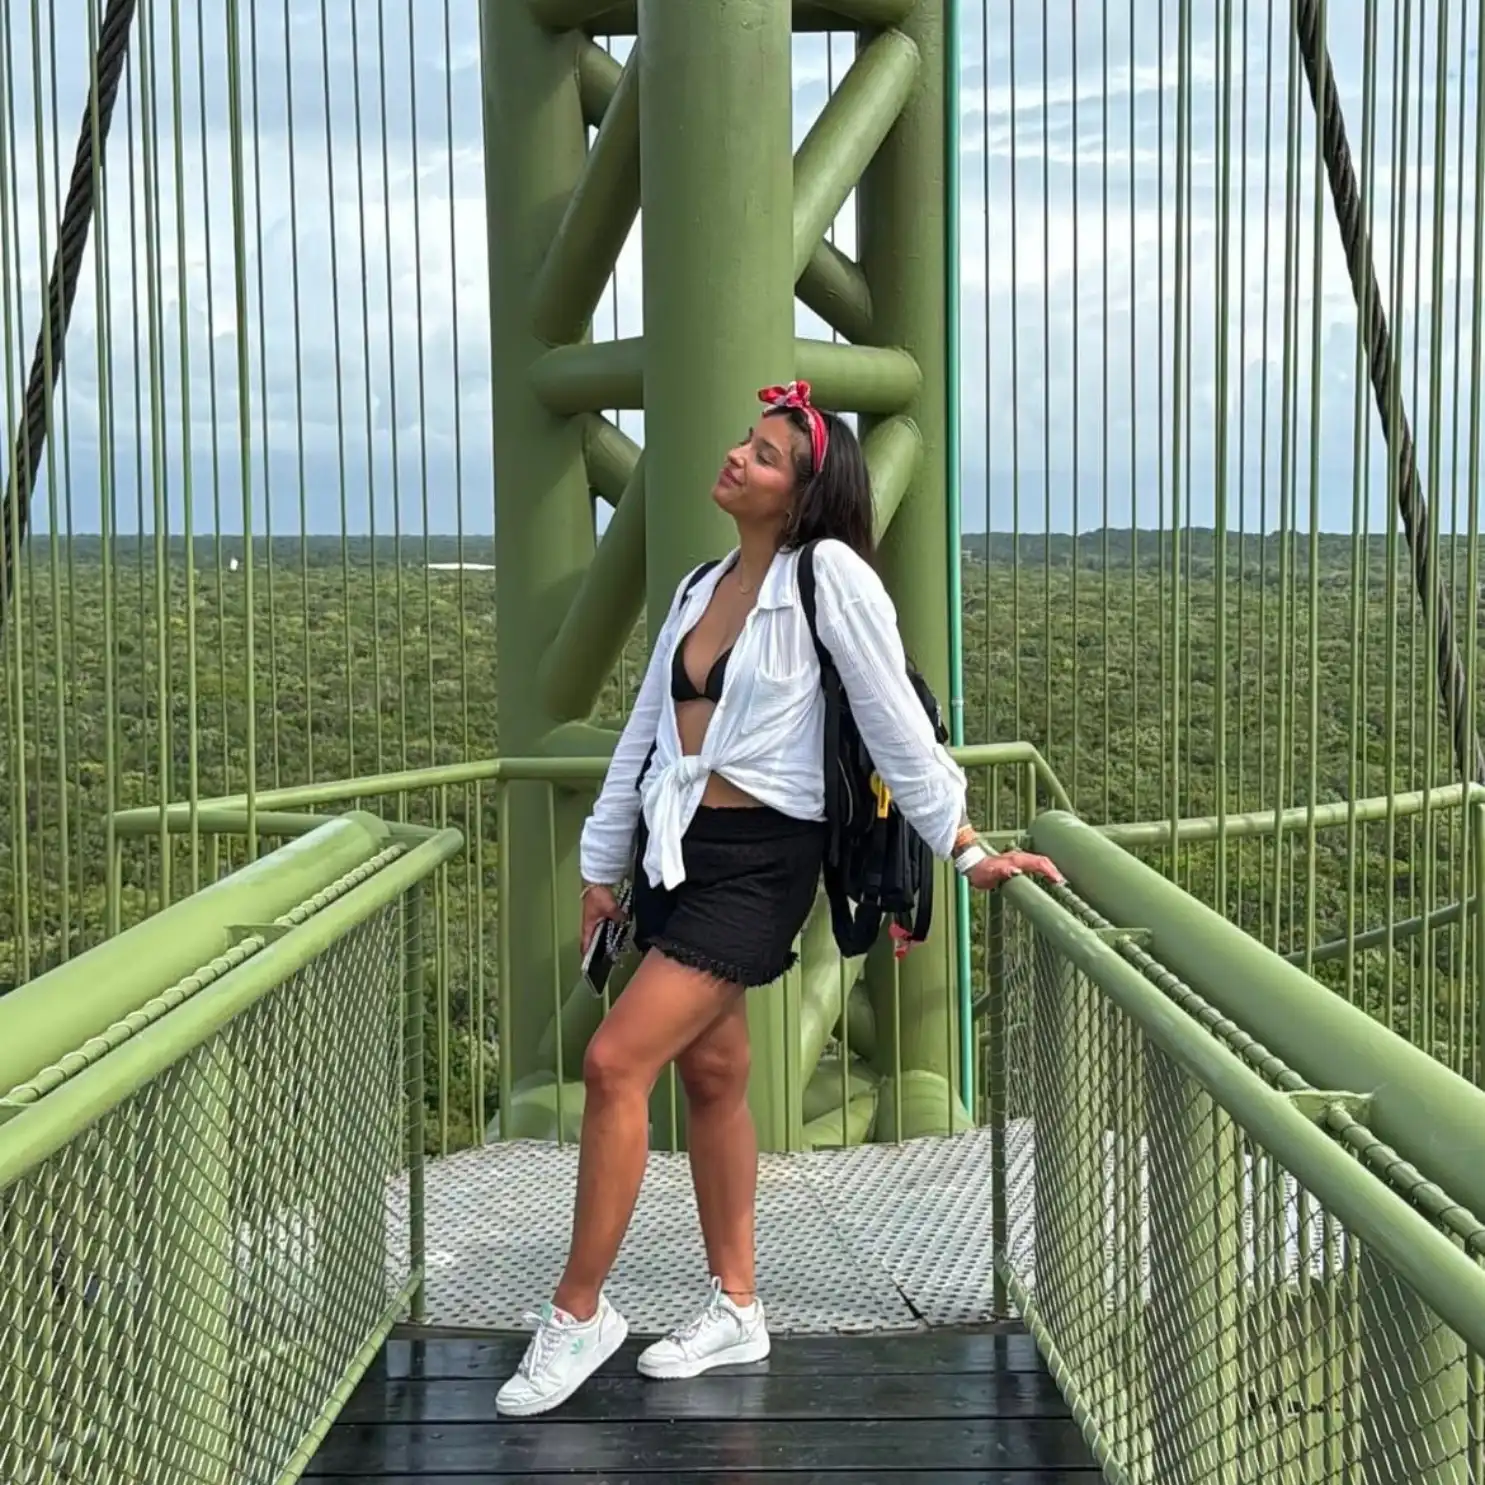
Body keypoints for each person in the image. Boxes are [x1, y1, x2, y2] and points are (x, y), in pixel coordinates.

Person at [495, 380, 1064, 1418]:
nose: (736, 457)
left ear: (800, 495)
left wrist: (964, 842)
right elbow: (643, 738)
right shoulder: (698, 585)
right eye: (743, 442)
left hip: (761, 864)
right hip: (676, 852)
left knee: (613, 1061)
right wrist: (599, 870)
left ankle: (579, 1312)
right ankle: (738, 1305)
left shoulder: (828, 574)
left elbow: (893, 717)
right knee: (713, 1074)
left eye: (763, 455)